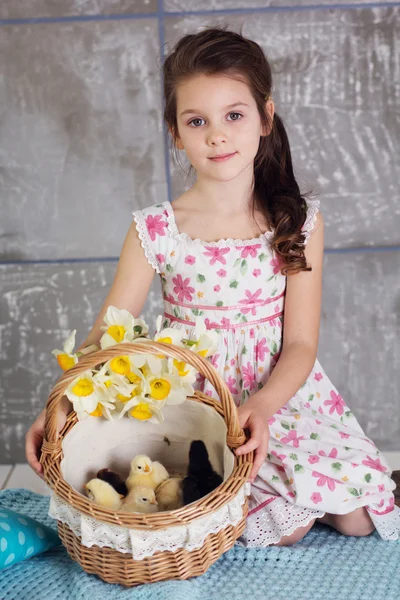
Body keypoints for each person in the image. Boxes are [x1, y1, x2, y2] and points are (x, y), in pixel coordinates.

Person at [26, 27, 399, 546]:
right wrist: (57, 405)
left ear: (266, 118)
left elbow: (301, 344)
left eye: (234, 115)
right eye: (196, 121)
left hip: (279, 397)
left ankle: (309, 484)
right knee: (285, 530)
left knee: (360, 518)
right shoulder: (155, 228)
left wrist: (264, 407)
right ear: (176, 132)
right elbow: (106, 339)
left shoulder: (298, 222)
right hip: (197, 400)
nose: (217, 135)